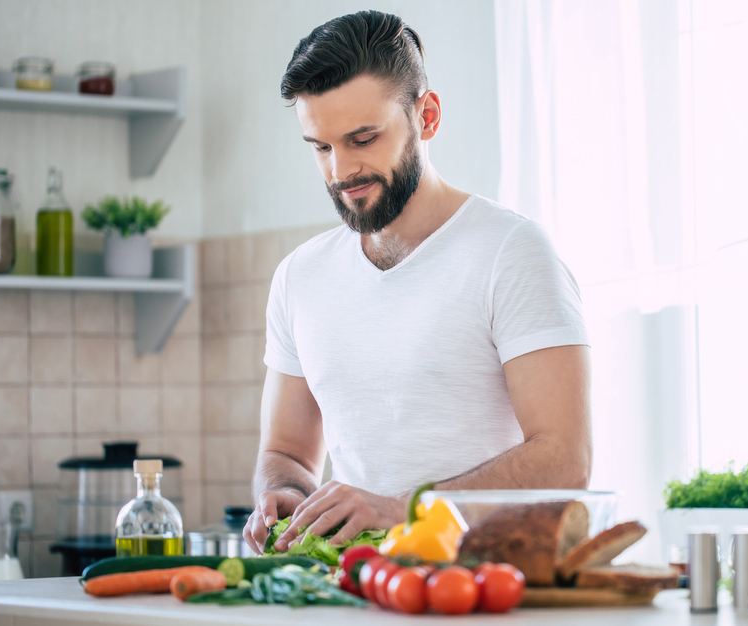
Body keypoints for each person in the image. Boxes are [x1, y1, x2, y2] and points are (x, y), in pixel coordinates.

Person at [243, 10, 593, 555]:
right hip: (363, 589)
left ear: (426, 115)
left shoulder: (512, 253)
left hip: (495, 589)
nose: (341, 171)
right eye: (321, 146)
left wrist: (403, 507)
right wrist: (284, 493)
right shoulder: (300, 277)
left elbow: (565, 460)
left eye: (364, 138)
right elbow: (287, 450)